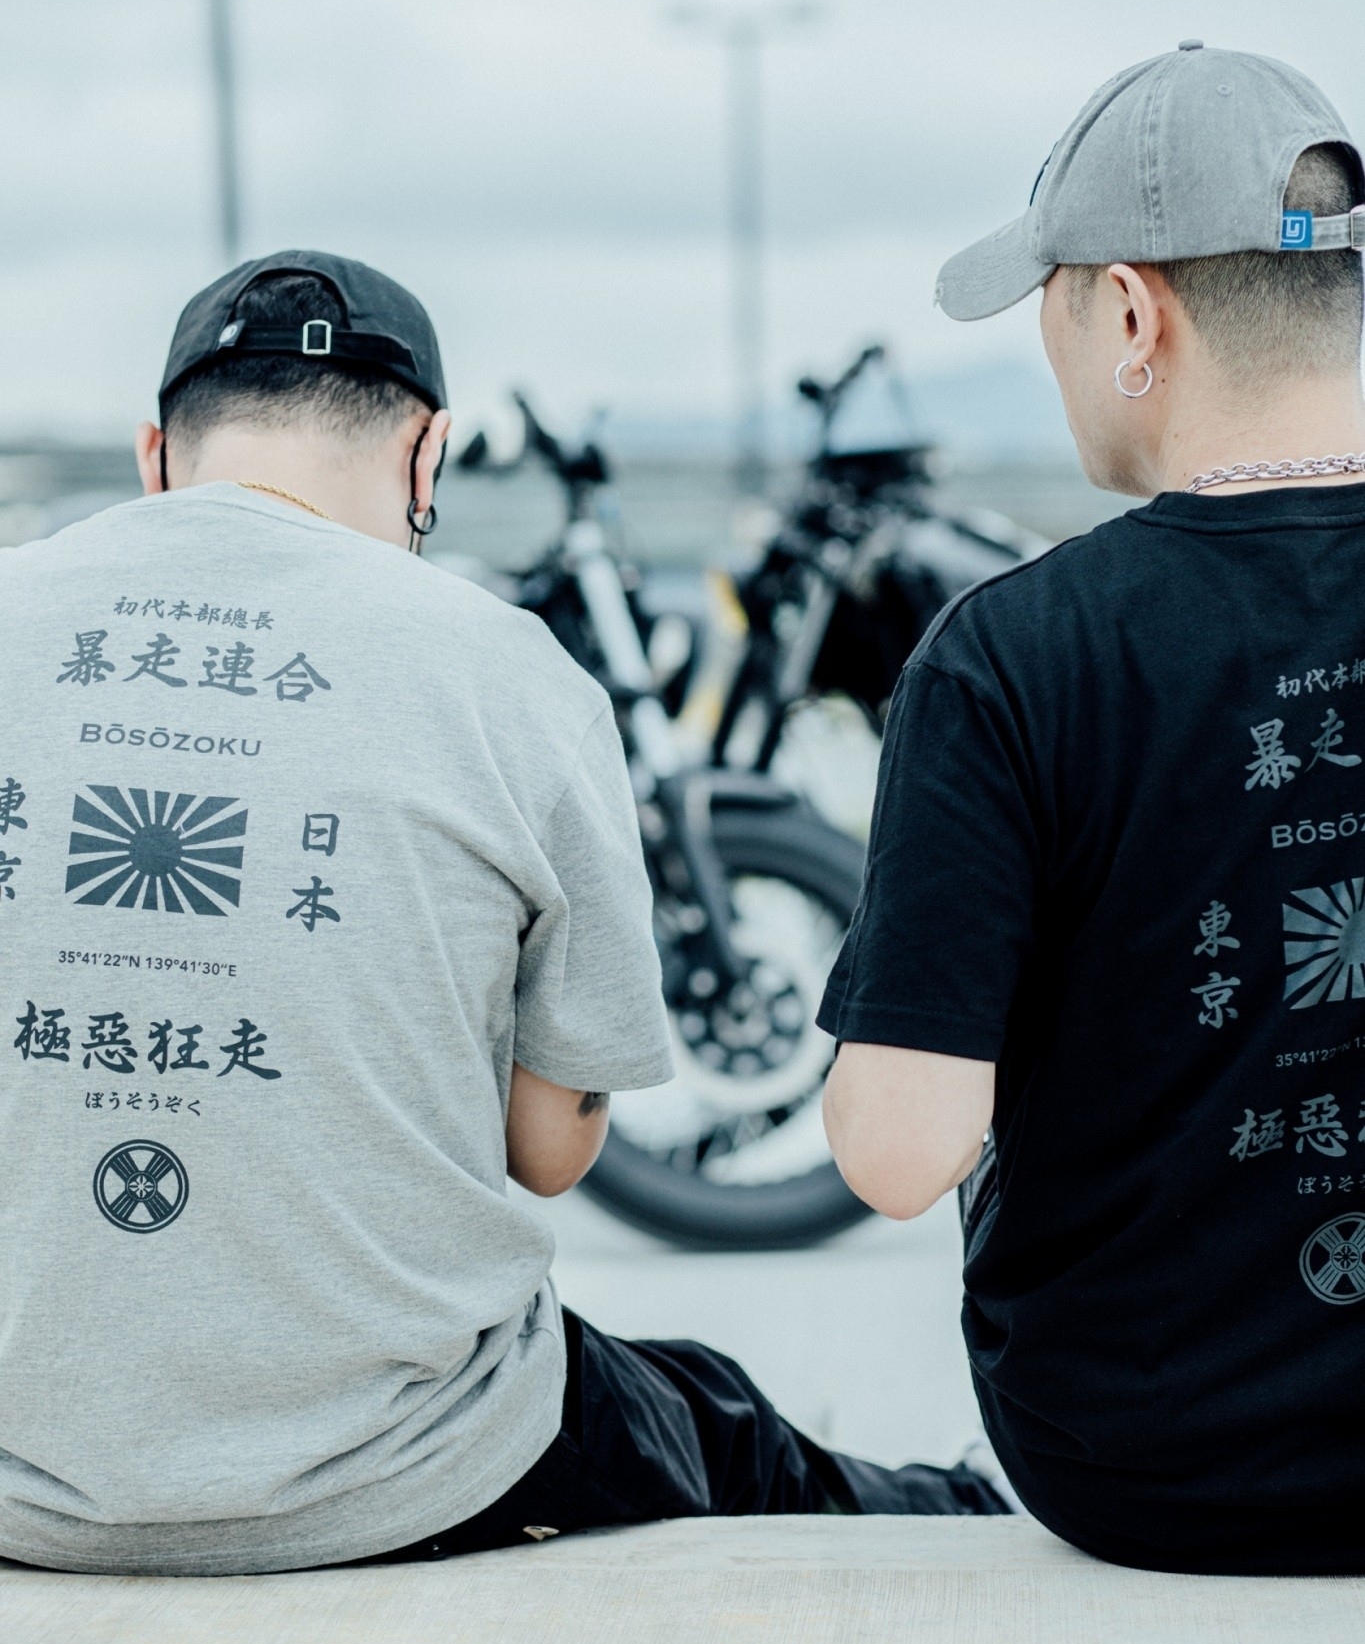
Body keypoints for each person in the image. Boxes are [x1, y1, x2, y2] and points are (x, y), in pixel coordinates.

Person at [0, 250, 1005, 1575]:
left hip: (17, 1485)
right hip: (408, 1474)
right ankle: (971, 1512)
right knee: (717, 1422)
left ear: (155, 455)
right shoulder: (511, 677)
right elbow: (550, 1152)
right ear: (428, 456)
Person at [821, 43, 1365, 1575]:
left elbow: (896, 1154)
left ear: (1129, 314)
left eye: (1047, 305)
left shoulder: (1009, 654)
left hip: (1150, 1468)